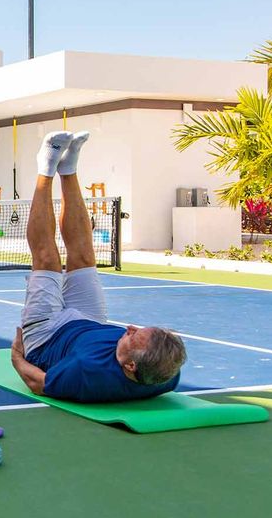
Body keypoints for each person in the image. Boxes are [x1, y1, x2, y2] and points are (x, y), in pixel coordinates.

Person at [10, 130, 187, 402]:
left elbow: (37, 383)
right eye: (140, 330)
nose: (129, 327)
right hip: (90, 322)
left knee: (47, 260)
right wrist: (132, 341)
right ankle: (68, 169)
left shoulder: (88, 374)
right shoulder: (168, 374)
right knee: (84, 257)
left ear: (130, 366)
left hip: (47, 337)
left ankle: (45, 168)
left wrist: (17, 357)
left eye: (134, 337)